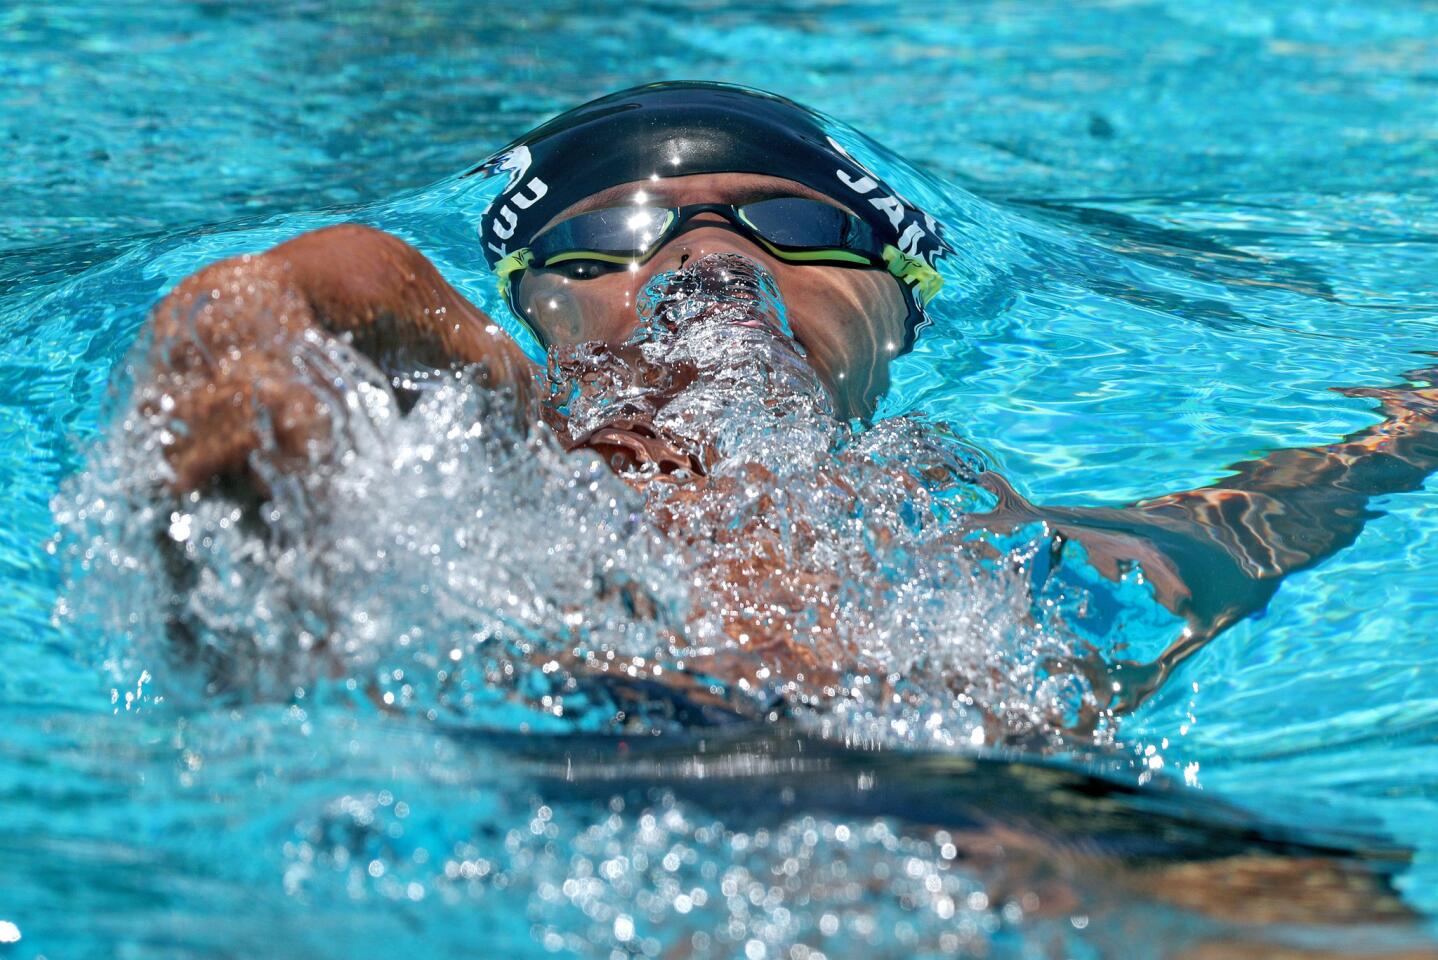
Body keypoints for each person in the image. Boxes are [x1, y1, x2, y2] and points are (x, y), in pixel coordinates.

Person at [138, 82, 1438, 713]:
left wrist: (1401, 441)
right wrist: (233, 341)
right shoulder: (514, 461)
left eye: (799, 225)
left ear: (898, 315)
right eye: (621, 234)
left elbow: (1260, 521)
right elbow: (338, 287)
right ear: (530, 310)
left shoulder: (1009, 562)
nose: (711, 260)